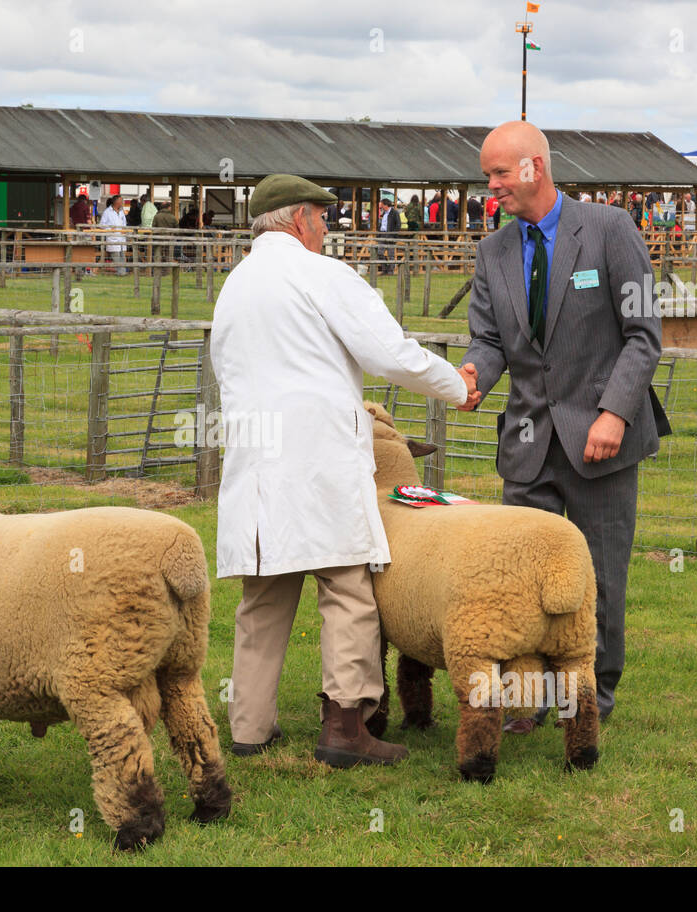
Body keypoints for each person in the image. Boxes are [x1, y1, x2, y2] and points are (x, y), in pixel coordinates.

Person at [214, 174, 477, 767]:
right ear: (300, 219)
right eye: (322, 218)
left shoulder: (235, 286)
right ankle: (345, 729)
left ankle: (250, 727)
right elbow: (388, 352)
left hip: (257, 465)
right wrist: (455, 388)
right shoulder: (323, 275)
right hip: (317, 464)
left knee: (264, 596)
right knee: (348, 588)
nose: (327, 229)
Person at [456, 121, 668, 731]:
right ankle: (528, 697)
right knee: (523, 579)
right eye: (486, 175)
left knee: (597, 574)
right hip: (526, 443)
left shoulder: (608, 231)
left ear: (535, 168)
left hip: (600, 441)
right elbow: (490, 340)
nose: (490, 187)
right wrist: (473, 375)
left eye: (499, 173)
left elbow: (642, 334)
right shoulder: (493, 251)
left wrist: (614, 412)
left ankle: (589, 697)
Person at [99, 194, 128, 275]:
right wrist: (110, 230)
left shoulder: (122, 212)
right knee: (116, 258)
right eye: (121, 201)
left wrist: (124, 230)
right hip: (113, 239)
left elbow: (124, 223)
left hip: (121, 238)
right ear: (117, 202)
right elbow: (101, 225)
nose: (122, 202)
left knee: (122, 257)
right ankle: (121, 274)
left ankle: (123, 273)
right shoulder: (107, 212)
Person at [376, 197, 400, 273]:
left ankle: (390, 270)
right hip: (382, 235)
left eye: (382, 205)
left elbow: (398, 224)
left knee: (391, 255)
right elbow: (382, 224)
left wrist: (394, 235)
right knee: (380, 253)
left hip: (390, 235)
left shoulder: (394, 212)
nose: (381, 206)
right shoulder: (384, 213)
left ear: (386, 205)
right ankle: (385, 268)